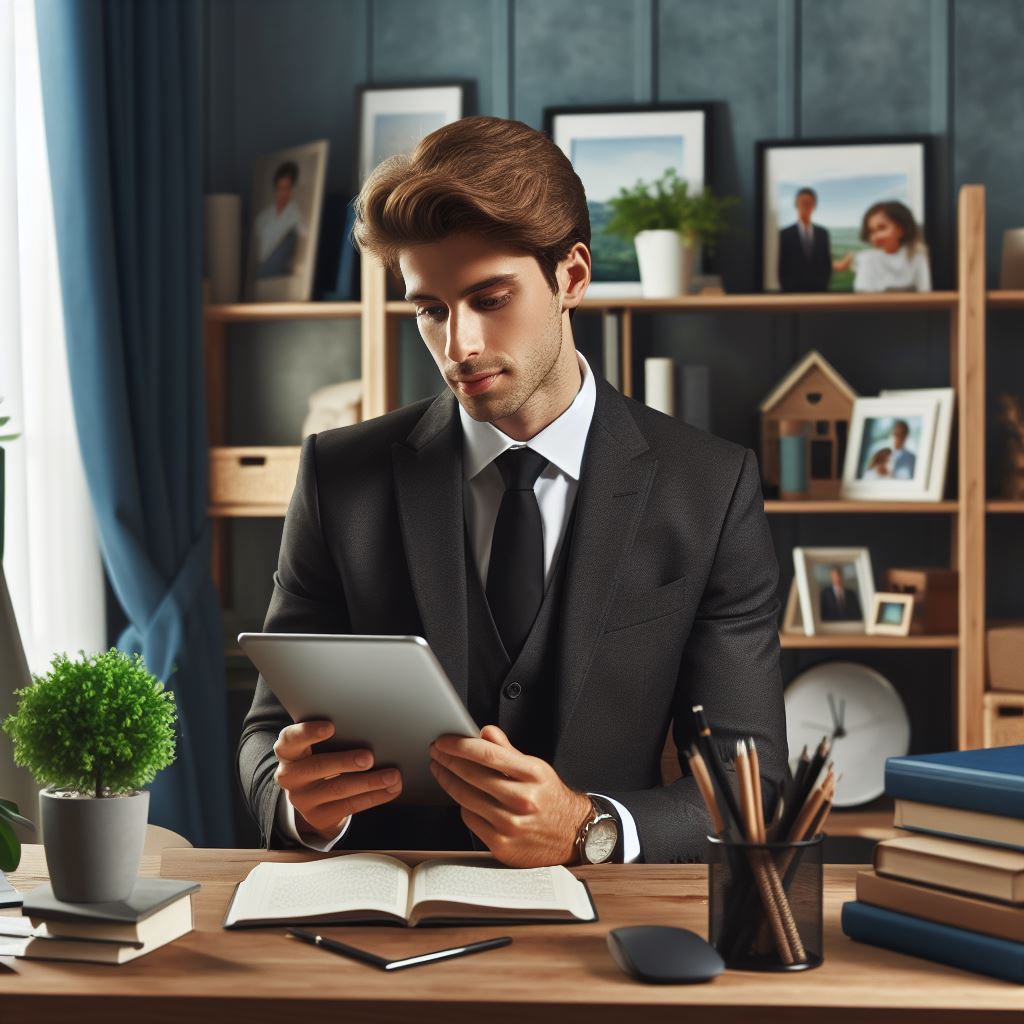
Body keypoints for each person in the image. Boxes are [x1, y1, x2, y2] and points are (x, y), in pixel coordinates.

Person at [236, 116, 788, 867]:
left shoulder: (711, 489)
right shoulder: (342, 478)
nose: (458, 345)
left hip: (603, 931)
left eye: (489, 299)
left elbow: (754, 788)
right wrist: (303, 807)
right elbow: (266, 740)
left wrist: (589, 827)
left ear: (573, 277)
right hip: (383, 919)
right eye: (430, 309)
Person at [833, 200, 931, 293]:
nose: (875, 237)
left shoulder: (918, 256)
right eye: (871, 231)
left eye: (882, 228)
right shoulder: (865, 257)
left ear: (901, 229)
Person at [253, 160, 307, 278]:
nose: (282, 193)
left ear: (291, 190)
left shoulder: (296, 217)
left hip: (280, 274)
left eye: (286, 189)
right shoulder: (263, 217)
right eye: (279, 188)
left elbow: (302, 247)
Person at [777, 187, 832, 292]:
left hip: (819, 290)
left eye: (809, 203)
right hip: (792, 291)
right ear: (796, 204)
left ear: (814, 206)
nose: (806, 206)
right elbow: (782, 266)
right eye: (803, 202)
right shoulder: (785, 234)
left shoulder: (823, 233)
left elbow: (827, 264)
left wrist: (825, 287)